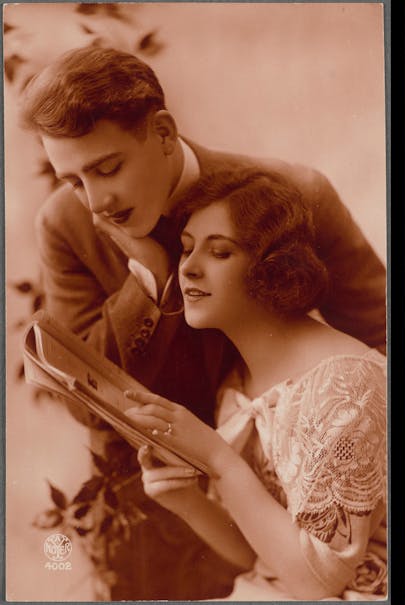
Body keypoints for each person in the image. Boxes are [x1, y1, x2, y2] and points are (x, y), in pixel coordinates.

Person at [22, 46, 386, 598]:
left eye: (107, 168)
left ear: (164, 133)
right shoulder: (66, 225)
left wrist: (361, 509)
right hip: (158, 505)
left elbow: (383, 342)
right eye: (73, 180)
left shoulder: (294, 194)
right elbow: (80, 391)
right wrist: (145, 279)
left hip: (306, 515)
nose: (96, 201)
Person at [123, 169, 387, 600]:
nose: (188, 268)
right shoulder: (238, 388)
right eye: (187, 250)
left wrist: (216, 457)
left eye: (219, 252)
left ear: (274, 266)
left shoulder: (346, 385)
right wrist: (185, 499)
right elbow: (262, 558)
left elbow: (317, 582)